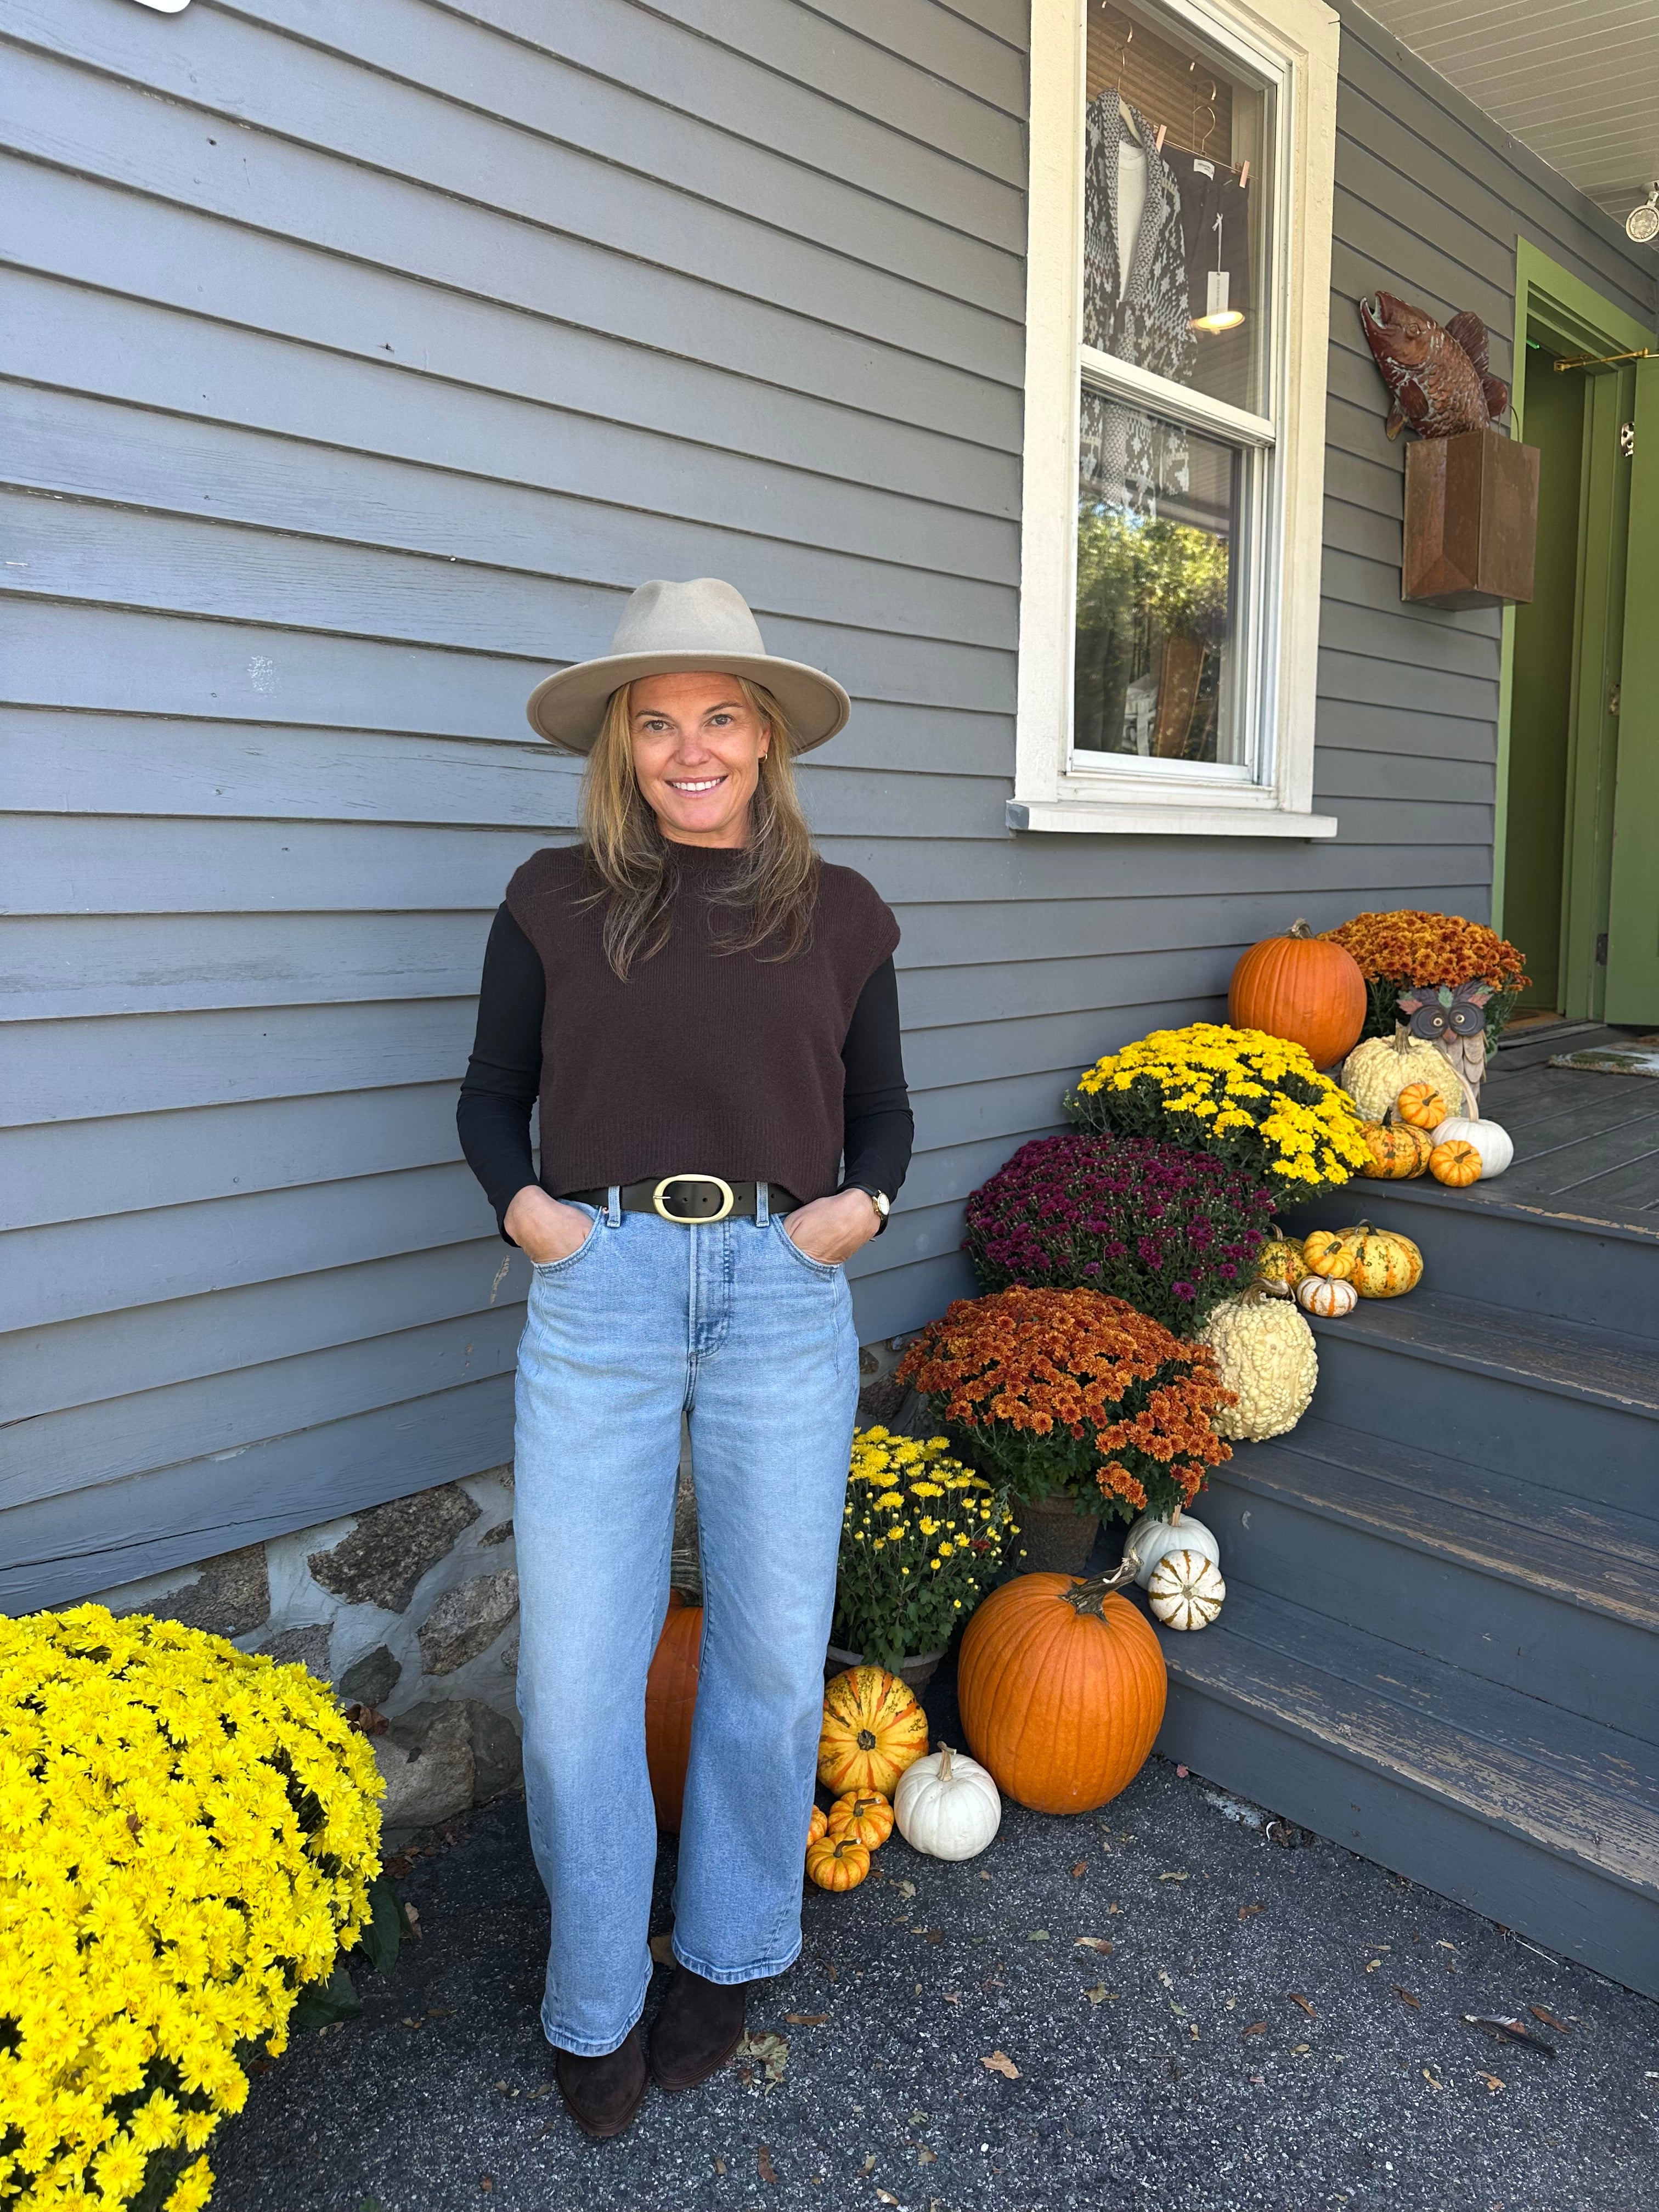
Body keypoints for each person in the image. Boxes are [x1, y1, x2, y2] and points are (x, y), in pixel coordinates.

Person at [456, 578, 913, 2139]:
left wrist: (855, 1214)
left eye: (720, 715)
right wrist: (533, 1218)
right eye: (657, 722)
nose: (688, 747)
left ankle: (725, 1952)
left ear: (770, 738)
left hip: (785, 1288)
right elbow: (487, 1095)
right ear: (622, 746)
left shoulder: (842, 910)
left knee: (775, 1654)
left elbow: (885, 1110)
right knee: (577, 1679)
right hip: (601, 1288)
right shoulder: (549, 896)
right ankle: (594, 1999)